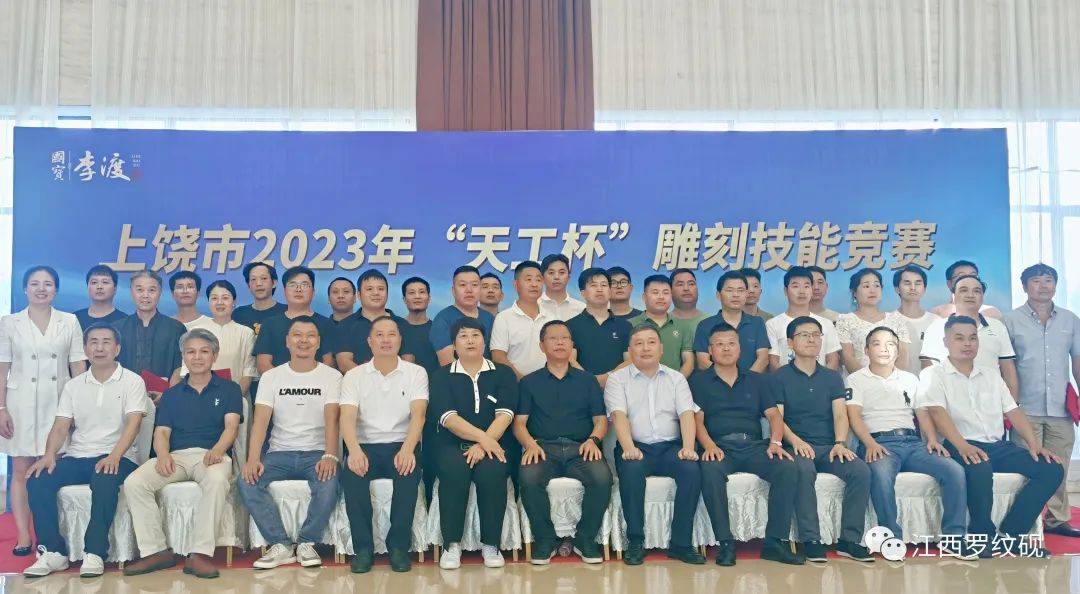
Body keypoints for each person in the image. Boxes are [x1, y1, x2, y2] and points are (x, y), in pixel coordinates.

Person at [917, 315, 1063, 557]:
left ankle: (1011, 536)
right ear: (945, 342)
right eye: (959, 338)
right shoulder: (934, 374)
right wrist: (963, 446)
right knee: (979, 465)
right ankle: (982, 535)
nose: (967, 343)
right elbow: (937, 412)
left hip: (997, 446)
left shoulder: (992, 375)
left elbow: (1013, 410)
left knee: (1051, 469)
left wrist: (1034, 444)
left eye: (972, 338)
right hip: (958, 444)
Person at [23, 325, 148, 577]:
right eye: (93, 342)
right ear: (85, 348)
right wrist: (49, 455)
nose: (99, 348)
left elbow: (134, 424)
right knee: (39, 478)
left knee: (104, 478)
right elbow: (61, 426)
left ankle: (95, 552)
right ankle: (53, 552)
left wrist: (114, 455)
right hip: (78, 455)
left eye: (106, 342)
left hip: (119, 457)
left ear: (117, 348)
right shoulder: (74, 385)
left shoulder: (133, 381)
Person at [122, 328, 244, 579]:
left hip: (212, 454)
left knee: (216, 480)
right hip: (176, 456)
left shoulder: (229, 389)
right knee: (135, 482)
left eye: (204, 351)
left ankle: (199, 554)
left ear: (214, 355)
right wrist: (162, 455)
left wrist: (218, 449)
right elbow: (161, 432)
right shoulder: (172, 394)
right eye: (191, 352)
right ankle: (156, 552)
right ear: (183, 357)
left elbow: (231, 427)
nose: (197, 357)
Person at [846, 326, 973, 560]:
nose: (884, 349)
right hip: (879, 443)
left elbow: (922, 413)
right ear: (866, 350)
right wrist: (870, 444)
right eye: (877, 344)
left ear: (898, 350)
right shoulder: (855, 379)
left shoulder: (910, 379)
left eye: (890, 344)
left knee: (954, 470)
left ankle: (954, 538)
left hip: (913, 443)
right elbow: (854, 417)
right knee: (881, 475)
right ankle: (892, 539)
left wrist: (932, 439)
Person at [691, 323, 801, 566]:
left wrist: (775, 442)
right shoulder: (698, 382)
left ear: (740, 349)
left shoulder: (757, 380)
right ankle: (725, 544)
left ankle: (774, 542)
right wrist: (709, 446)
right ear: (710, 350)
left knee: (787, 467)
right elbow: (696, 420)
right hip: (720, 447)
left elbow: (774, 416)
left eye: (731, 343)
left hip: (753, 446)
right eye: (720, 344)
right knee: (709, 471)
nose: (726, 349)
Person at [239, 316, 341, 570]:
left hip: (317, 452)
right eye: (297, 335)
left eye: (310, 335)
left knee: (329, 483)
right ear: (287, 341)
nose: (303, 340)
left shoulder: (332, 376)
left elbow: (332, 419)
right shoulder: (272, 377)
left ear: (318, 342)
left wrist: (330, 455)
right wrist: (253, 459)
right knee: (246, 481)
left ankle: (307, 542)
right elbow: (260, 421)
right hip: (279, 454)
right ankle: (281, 544)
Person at [0, 266, 88, 556]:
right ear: (25, 289)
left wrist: (79, 408)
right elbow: (2, 369)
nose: (41, 289)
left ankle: (52, 536)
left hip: (58, 404)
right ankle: (24, 535)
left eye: (48, 284)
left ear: (56, 290)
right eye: (35, 283)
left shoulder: (69, 321)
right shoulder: (9, 322)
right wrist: (1, 408)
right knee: (21, 471)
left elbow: (78, 366)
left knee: (52, 470)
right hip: (20, 405)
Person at [774, 316, 873, 563]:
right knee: (803, 470)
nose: (811, 339)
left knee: (860, 471)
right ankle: (811, 540)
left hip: (829, 446)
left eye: (816, 335)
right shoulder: (779, 377)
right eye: (804, 335)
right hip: (795, 446)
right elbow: (777, 419)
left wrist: (840, 443)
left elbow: (840, 414)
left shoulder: (832, 377)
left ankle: (849, 540)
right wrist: (796, 442)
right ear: (790, 343)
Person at [604, 325, 705, 566]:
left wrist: (688, 447)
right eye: (638, 343)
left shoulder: (676, 378)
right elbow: (618, 416)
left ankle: (681, 544)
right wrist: (629, 448)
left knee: (691, 470)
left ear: (661, 349)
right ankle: (635, 541)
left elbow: (686, 414)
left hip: (671, 447)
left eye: (651, 342)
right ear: (630, 351)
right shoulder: (617, 379)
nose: (645, 348)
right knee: (631, 472)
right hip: (636, 446)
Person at [515, 320, 612, 565]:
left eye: (565, 338)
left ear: (572, 345)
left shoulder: (587, 381)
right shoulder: (529, 382)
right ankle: (545, 540)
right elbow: (519, 423)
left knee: (602, 479)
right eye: (553, 338)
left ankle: (585, 539)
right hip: (542, 448)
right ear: (542, 345)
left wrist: (593, 440)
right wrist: (530, 444)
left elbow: (601, 421)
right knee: (528, 478)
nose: (560, 343)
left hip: (581, 448)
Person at [427, 317, 518, 569]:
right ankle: (451, 545)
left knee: (493, 472)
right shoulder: (442, 376)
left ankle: (491, 544)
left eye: (475, 335)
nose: (470, 341)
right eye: (463, 336)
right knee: (454, 472)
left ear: (484, 342)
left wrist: (483, 445)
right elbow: (448, 418)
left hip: (494, 443)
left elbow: (505, 414)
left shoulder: (502, 373)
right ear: (454, 344)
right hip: (452, 444)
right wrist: (483, 440)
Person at [340, 316, 428, 573]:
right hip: (365, 445)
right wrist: (354, 451)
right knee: (353, 478)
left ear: (400, 340)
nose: (386, 340)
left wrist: (408, 449)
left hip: (402, 443)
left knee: (407, 476)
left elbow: (419, 415)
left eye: (391, 334)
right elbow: (346, 417)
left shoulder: (416, 372)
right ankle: (363, 549)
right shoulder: (354, 376)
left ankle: (398, 547)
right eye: (379, 335)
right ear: (369, 341)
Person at [1003, 264, 1080, 537]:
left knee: (1060, 467)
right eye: (1036, 281)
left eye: (1049, 280)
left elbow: (1077, 361)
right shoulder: (1010, 321)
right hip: (1024, 409)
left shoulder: (1070, 320)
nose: (1043, 286)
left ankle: (1057, 520)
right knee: (1027, 467)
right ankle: (1027, 521)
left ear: (1056, 285)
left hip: (1060, 408)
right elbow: (1005, 366)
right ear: (1024, 287)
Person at [919, 275, 1019, 397]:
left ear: (982, 297)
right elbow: (928, 370)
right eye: (964, 290)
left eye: (976, 291)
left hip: (991, 401)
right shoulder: (937, 327)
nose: (970, 295)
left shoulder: (997, 326)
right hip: (949, 401)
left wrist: (1014, 403)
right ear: (953, 296)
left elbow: (1008, 369)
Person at [173, 280, 256, 397]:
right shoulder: (196, 331)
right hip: (199, 398)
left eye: (225, 298)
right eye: (214, 298)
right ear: (208, 302)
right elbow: (187, 368)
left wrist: (234, 398)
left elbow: (248, 371)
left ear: (234, 301)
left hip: (236, 397)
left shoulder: (246, 333)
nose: (219, 302)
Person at [399, 276, 441, 500]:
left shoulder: (438, 329)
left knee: (431, 454)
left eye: (422, 292)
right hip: (400, 401)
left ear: (429, 298)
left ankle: (429, 501)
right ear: (404, 299)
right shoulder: (396, 329)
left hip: (434, 401)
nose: (417, 296)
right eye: (412, 292)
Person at [113, 270, 186, 398]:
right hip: (123, 397)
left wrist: (168, 396)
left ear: (160, 292)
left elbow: (180, 366)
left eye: (152, 290)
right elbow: (110, 365)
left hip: (165, 398)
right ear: (131, 292)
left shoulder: (176, 328)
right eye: (139, 290)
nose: (145, 295)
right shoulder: (117, 328)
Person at [253, 266, 336, 373]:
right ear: (284, 291)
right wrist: (287, 381)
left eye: (304, 285)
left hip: (317, 382)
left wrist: (310, 381)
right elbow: (263, 364)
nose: (298, 289)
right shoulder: (269, 324)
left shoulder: (326, 323)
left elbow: (329, 363)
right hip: (279, 383)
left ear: (313, 292)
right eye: (292, 285)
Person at [333, 270, 414, 372]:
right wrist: (372, 379)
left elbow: (408, 362)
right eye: (369, 289)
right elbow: (344, 362)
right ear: (359, 295)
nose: (376, 293)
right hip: (358, 381)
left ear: (387, 293)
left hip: (396, 381)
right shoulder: (345, 325)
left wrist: (387, 379)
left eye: (381, 289)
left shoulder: (403, 324)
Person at [835, 269, 911, 373]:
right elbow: (847, 358)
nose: (872, 290)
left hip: (894, 380)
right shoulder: (845, 320)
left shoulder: (896, 319)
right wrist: (869, 379)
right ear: (855, 293)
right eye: (866, 286)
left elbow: (903, 358)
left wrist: (888, 378)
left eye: (877, 286)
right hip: (858, 379)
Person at [765, 266, 841, 371]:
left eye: (806, 286)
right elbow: (773, 361)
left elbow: (833, 360)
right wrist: (788, 379)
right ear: (786, 291)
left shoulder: (826, 324)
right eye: (795, 286)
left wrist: (820, 379)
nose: (802, 291)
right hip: (785, 380)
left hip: (820, 381)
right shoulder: (772, 324)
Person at [693, 270, 770, 372]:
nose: (736, 295)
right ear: (718, 295)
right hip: (716, 381)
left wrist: (746, 379)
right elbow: (703, 362)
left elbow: (763, 359)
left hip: (752, 380)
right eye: (730, 290)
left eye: (740, 290)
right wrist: (728, 378)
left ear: (746, 294)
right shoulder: (705, 325)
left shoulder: (757, 323)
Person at [566, 267, 631, 388]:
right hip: (581, 388)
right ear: (583, 293)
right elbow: (570, 360)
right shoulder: (570, 326)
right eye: (593, 285)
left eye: (604, 285)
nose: (600, 289)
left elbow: (630, 360)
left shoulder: (625, 326)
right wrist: (590, 381)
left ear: (610, 291)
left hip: (618, 389)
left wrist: (608, 378)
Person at [491, 261, 555, 379]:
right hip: (516, 384)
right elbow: (498, 356)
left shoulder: (552, 318)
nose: (534, 284)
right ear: (516, 284)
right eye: (528, 279)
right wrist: (523, 381)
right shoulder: (504, 318)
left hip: (550, 383)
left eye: (538, 280)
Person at [628, 275, 694, 377]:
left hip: (674, 384)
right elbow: (628, 360)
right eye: (655, 292)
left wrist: (676, 383)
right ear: (644, 297)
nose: (661, 297)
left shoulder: (683, 326)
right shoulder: (629, 325)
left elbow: (688, 362)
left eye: (666, 293)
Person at [430, 265, 495, 366]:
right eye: (463, 285)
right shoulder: (443, 319)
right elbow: (448, 363)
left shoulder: (489, 318)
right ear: (453, 291)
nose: (469, 290)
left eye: (474, 285)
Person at [892, 265, 940, 373]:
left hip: (931, 381)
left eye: (918, 283)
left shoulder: (936, 322)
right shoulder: (888, 321)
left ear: (924, 289)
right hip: (897, 381)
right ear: (897, 289)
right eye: (907, 283)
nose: (913, 288)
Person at [930, 260, 1004, 320]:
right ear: (949, 284)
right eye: (961, 276)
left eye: (973, 275)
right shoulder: (936, 313)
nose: (968, 279)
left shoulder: (991, 312)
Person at [233, 261, 287, 337]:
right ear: (248, 285)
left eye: (264, 278)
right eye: (253, 279)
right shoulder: (238, 314)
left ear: (274, 283)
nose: (258, 283)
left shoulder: (288, 312)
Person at [74, 264, 128, 330]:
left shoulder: (126, 322)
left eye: (105, 282)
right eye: (94, 282)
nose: (99, 287)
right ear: (87, 288)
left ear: (115, 289)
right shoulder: (74, 319)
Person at [538, 254, 586, 321]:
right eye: (551, 273)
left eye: (561, 272)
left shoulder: (582, 309)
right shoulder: (533, 306)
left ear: (568, 278)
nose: (556, 277)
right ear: (542, 278)